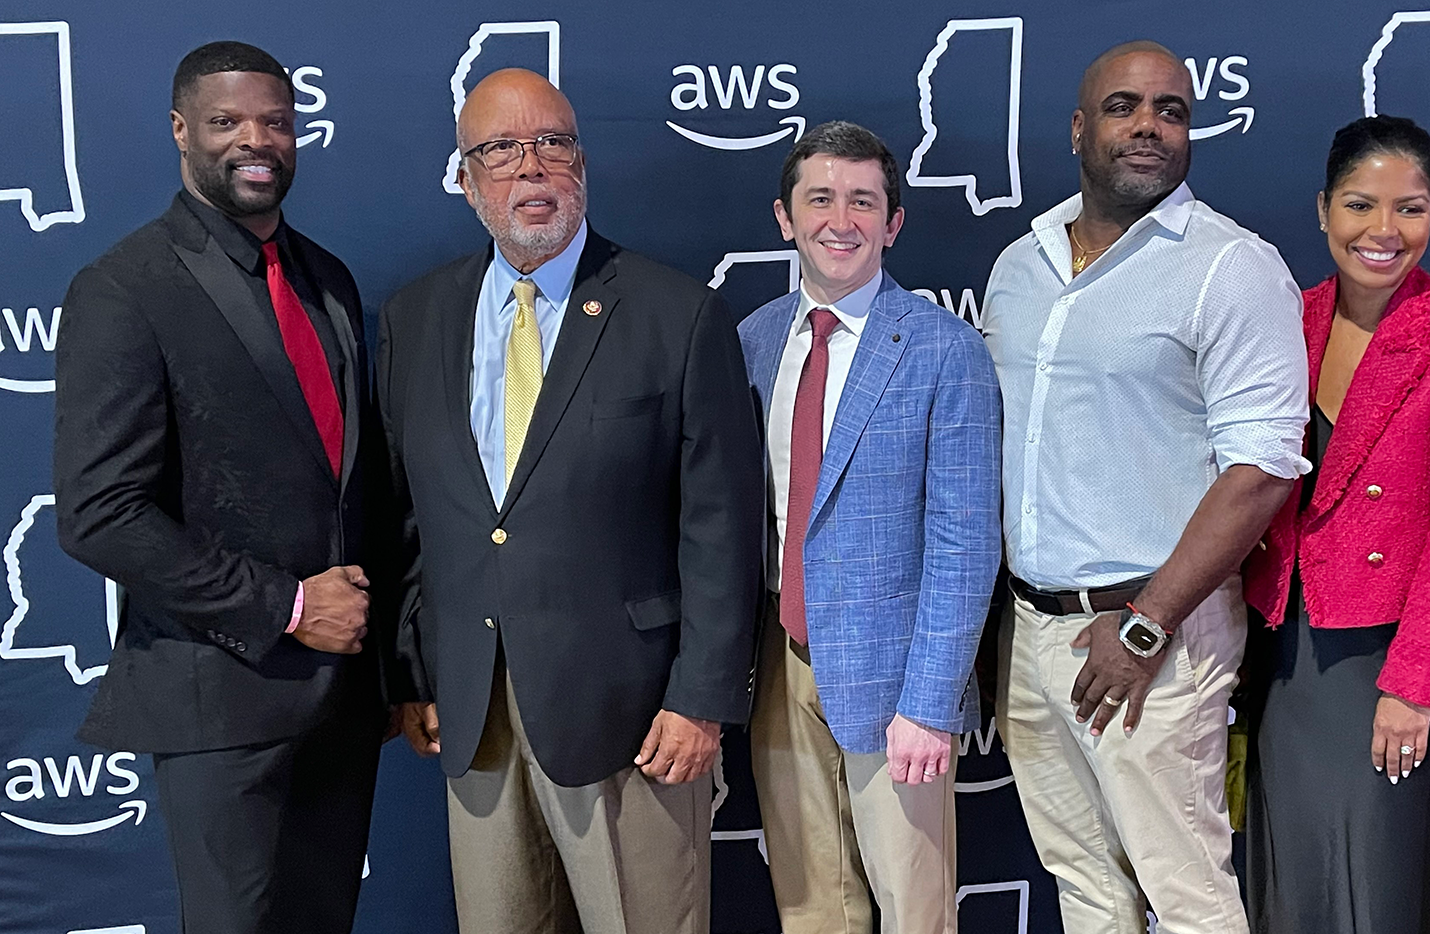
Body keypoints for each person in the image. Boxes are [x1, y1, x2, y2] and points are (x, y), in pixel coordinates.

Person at [378, 68, 763, 934]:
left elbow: (721, 527)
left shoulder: (678, 314)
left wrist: (701, 696)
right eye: (502, 150)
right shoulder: (418, 317)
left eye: (553, 143)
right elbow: (408, 514)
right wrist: (412, 671)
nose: (533, 168)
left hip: (632, 719)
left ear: (582, 164)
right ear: (467, 178)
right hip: (473, 716)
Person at [52, 41, 386, 934]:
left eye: (275, 122)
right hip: (219, 695)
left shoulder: (330, 280)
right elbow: (100, 516)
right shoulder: (123, 289)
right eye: (227, 122)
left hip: (344, 699)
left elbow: (353, 485)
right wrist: (284, 607)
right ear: (180, 131)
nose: (256, 140)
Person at [980, 40, 1308, 934]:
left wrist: (1147, 623)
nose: (1150, 128)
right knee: (1083, 883)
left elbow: (1262, 469)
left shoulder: (1230, 267)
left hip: (1153, 635)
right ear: (1080, 129)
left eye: (1172, 111)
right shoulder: (1021, 262)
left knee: (1187, 892)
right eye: (1125, 107)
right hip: (1031, 631)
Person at [1241, 115, 1430, 934]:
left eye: (1411, 209)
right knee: (1297, 878)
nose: (1385, 232)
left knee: (1387, 882)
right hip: (1291, 654)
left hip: (1397, 659)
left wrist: (1412, 687)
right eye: (1362, 205)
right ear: (1324, 208)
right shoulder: (1286, 319)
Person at [738, 121, 1002, 933]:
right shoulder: (751, 340)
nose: (839, 220)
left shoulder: (944, 350)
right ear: (785, 217)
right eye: (819, 198)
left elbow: (966, 541)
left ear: (892, 223)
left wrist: (929, 703)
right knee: (813, 906)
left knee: (914, 908)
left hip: (896, 685)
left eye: (863, 201)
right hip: (775, 671)